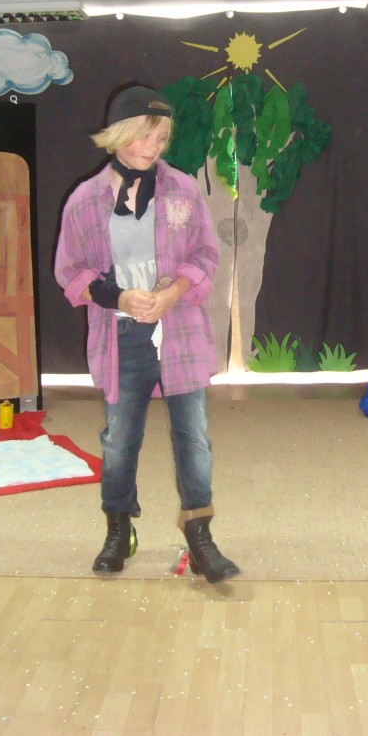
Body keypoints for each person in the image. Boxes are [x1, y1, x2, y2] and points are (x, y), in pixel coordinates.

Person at [54, 84, 239, 584]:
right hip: (121, 339)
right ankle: (119, 529)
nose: (152, 148)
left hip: (179, 333)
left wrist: (173, 292)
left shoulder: (183, 190)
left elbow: (205, 255)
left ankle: (199, 535)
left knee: (193, 437)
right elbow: (69, 270)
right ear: (117, 134)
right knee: (120, 441)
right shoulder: (85, 201)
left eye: (160, 139)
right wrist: (118, 298)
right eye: (143, 136)